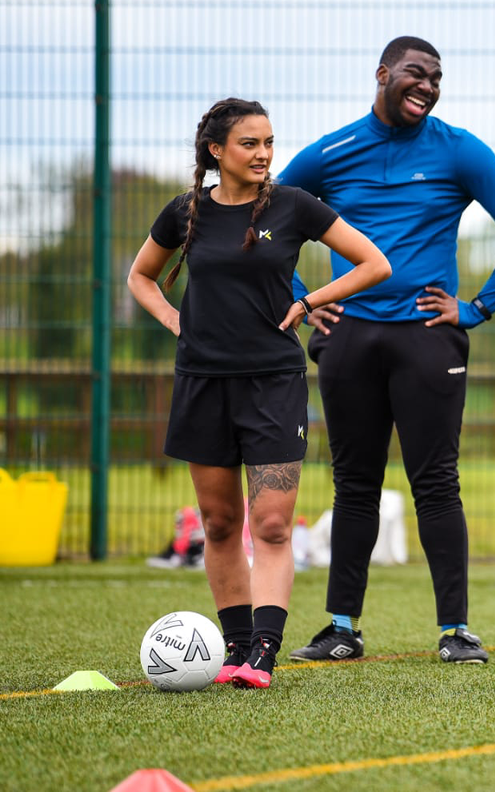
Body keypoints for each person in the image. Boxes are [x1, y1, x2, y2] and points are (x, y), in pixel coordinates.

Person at [282, 36, 495, 665]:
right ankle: (341, 627)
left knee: (437, 483)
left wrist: (478, 307)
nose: (427, 85)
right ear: (383, 74)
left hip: (428, 339)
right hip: (348, 342)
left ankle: (456, 631)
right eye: (415, 73)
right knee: (354, 485)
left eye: (436, 77)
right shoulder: (331, 151)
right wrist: (304, 299)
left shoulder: (458, 149)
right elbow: (269, 222)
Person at [126, 98, 390, 689]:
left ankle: (263, 656)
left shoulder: (294, 206)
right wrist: (174, 321)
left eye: (270, 142)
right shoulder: (185, 212)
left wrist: (308, 301)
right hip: (201, 383)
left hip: (273, 383)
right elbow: (141, 276)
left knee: (271, 525)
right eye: (250, 143)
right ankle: (234, 650)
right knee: (220, 523)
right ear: (216, 151)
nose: (265, 153)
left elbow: (375, 264)